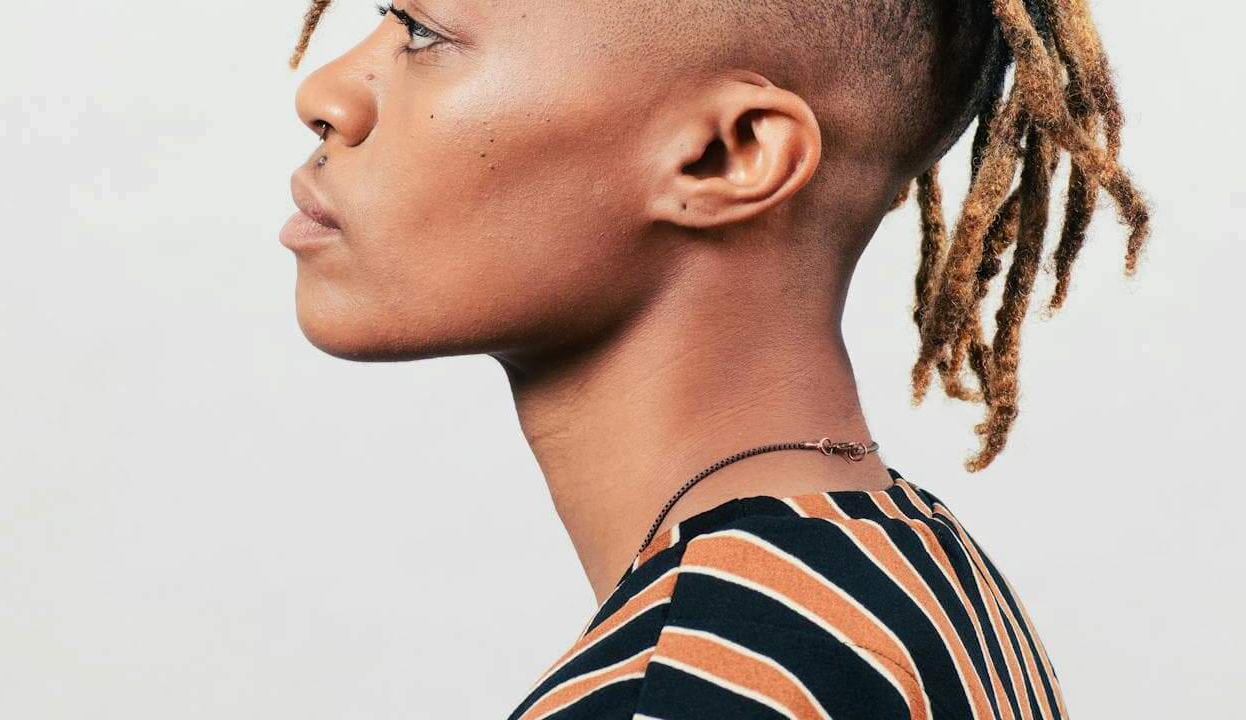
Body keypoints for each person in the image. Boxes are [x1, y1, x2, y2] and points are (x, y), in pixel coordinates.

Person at [280, 0, 1148, 717]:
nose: (325, 93)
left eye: (423, 33)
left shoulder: (688, 689)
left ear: (727, 155)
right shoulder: (910, 573)